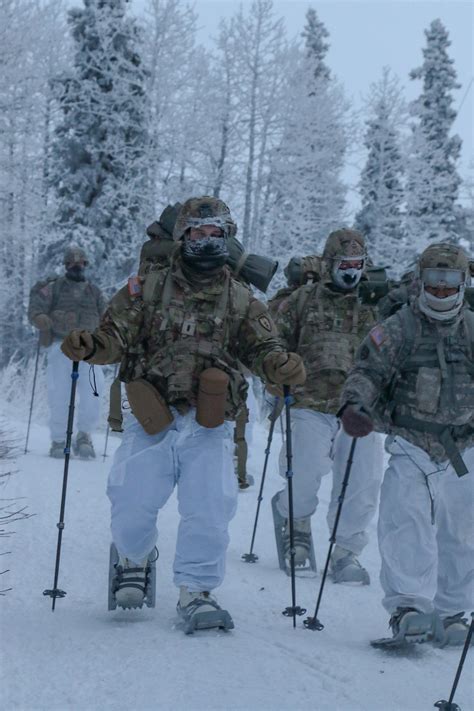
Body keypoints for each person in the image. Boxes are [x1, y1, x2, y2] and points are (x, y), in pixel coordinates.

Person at [61, 196, 305, 632]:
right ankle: (133, 558)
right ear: (183, 236)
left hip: (210, 419)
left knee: (211, 506)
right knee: (132, 501)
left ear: (226, 237)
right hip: (151, 412)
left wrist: (279, 365)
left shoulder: (241, 299)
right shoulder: (146, 287)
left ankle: (197, 590)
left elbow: (263, 347)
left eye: (215, 233)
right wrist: (92, 347)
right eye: (197, 232)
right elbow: (113, 334)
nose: (206, 241)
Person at [340, 242, 474, 647]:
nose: (441, 291)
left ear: (464, 283)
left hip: (464, 449)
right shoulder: (399, 327)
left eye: (451, 282)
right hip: (412, 443)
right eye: (434, 280)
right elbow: (368, 370)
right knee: (405, 521)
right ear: (421, 280)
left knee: (462, 530)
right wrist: (355, 403)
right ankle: (410, 607)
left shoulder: (472, 327)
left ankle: (453, 610)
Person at [271, 228, 384, 583]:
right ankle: (295, 522)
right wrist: (277, 376)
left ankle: (346, 551)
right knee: (304, 471)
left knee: (362, 481)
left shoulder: (375, 303)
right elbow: (272, 342)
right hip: (309, 401)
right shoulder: (303, 299)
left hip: (360, 409)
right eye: (343, 263)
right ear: (328, 263)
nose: (350, 270)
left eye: (357, 263)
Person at [28, 246, 105, 458]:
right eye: (71, 263)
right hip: (60, 346)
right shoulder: (54, 288)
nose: (76, 266)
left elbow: (107, 318)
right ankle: (59, 440)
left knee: (93, 394)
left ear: (86, 265)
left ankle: (84, 436)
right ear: (65, 265)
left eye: (80, 263)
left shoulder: (95, 292)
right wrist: (39, 318)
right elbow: (36, 308)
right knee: (59, 395)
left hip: (89, 348)